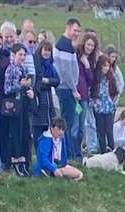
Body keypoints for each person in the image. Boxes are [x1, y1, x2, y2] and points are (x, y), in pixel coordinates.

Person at [2, 42, 32, 175]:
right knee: (15, 134)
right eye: (20, 54)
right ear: (13, 55)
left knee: (25, 132)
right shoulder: (11, 69)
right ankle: (15, 161)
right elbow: (7, 89)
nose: (22, 57)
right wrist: (20, 85)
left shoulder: (24, 68)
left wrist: (29, 90)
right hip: (14, 105)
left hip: (24, 104)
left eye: (24, 55)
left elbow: (27, 85)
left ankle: (24, 161)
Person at [53, 18, 81, 163]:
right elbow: (65, 70)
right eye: (75, 30)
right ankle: (66, 155)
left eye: (78, 31)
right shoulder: (64, 44)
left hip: (67, 88)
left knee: (68, 122)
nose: (76, 33)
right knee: (66, 124)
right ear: (68, 27)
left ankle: (67, 154)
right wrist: (74, 89)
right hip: (65, 88)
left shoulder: (68, 45)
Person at [35, 116, 80, 180]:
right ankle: (47, 174)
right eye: (59, 129)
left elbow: (63, 157)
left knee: (79, 174)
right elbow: (43, 159)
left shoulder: (61, 138)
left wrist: (64, 165)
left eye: (63, 129)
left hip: (57, 165)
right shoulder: (45, 140)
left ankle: (60, 175)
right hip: (46, 167)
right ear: (51, 128)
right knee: (76, 174)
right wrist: (54, 169)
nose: (61, 132)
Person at [91, 52, 120, 154]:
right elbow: (91, 92)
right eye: (104, 65)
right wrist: (94, 104)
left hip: (109, 109)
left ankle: (113, 151)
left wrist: (114, 103)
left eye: (108, 65)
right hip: (98, 109)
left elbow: (116, 92)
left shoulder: (111, 78)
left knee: (109, 131)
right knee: (100, 131)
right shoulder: (95, 79)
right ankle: (103, 152)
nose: (106, 68)